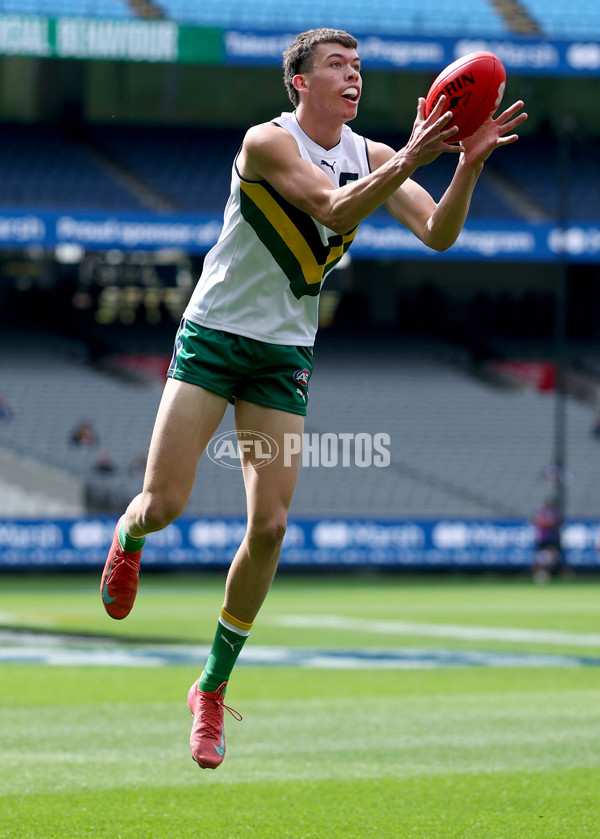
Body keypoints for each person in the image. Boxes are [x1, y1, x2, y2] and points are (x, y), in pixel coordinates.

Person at [100, 27, 527, 769]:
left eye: (358, 66)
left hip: (281, 357)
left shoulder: (374, 153)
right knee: (163, 503)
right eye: (337, 65)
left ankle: (210, 687)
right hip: (213, 340)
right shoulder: (266, 143)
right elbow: (332, 209)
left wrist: (466, 166)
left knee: (270, 524)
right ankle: (129, 537)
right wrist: (415, 157)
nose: (353, 75)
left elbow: (437, 233)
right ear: (300, 81)